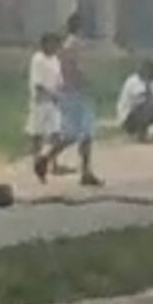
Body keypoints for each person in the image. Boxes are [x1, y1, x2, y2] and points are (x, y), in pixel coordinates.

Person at [34, 15, 103, 186]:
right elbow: (77, 70)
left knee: (74, 134)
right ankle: (83, 171)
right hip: (77, 93)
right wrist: (88, 82)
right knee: (85, 133)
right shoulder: (76, 46)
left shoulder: (66, 46)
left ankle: (47, 158)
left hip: (69, 93)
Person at [27, 33, 63, 178]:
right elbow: (38, 84)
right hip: (40, 101)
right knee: (37, 133)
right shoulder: (38, 59)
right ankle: (36, 161)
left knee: (56, 133)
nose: (55, 47)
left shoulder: (55, 59)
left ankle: (54, 163)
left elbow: (59, 79)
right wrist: (50, 94)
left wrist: (59, 93)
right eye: (52, 44)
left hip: (54, 101)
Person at [116, 59, 153, 143]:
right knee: (148, 104)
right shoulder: (132, 81)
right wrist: (152, 98)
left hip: (144, 113)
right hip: (129, 118)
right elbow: (138, 101)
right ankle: (140, 135)